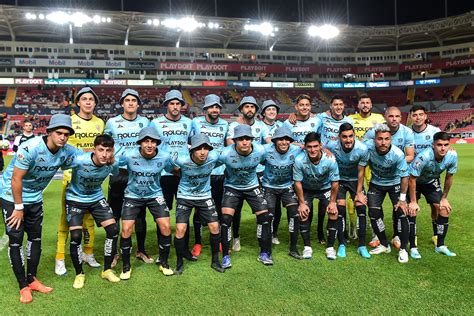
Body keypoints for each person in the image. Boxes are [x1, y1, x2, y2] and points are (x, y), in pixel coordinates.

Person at [0, 114, 78, 303]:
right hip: (12, 196)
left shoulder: (66, 151)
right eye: (59, 133)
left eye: (66, 134)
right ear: (49, 132)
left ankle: (32, 279)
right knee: (16, 240)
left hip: (35, 198)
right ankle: (22, 286)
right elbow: (15, 179)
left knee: (35, 238)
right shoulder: (31, 147)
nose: (62, 137)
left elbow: (86, 157)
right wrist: (18, 207)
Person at [55, 87, 104, 276]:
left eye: (91, 99)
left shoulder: (100, 123)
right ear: (78, 102)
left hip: (93, 178)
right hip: (71, 177)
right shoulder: (70, 122)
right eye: (84, 99)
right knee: (66, 220)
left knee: (89, 219)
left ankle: (88, 253)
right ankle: (60, 258)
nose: (88, 102)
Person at [118, 127, 175, 278]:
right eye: (146, 141)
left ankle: (164, 263)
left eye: (153, 142)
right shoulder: (129, 155)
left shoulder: (164, 156)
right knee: (126, 229)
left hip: (155, 194)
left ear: (157, 143)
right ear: (140, 143)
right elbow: (114, 165)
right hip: (133, 195)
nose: (149, 145)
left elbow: (173, 169)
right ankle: (125, 267)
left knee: (166, 226)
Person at [65, 134, 121, 288]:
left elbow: (115, 173)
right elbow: (62, 164)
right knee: (76, 235)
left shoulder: (111, 163)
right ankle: (79, 274)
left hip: (96, 198)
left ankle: (107, 270)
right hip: (75, 198)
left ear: (112, 151)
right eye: (101, 150)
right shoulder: (80, 160)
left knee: (113, 229)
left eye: (108, 150)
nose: (104, 154)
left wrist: (113, 162)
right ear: (94, 149)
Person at [105, 89, 151, 264]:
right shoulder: (112, 122)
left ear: (138, 104)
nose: (130, 103)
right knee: (115, 214)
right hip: (119, 173)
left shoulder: (145, 122)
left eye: (134, 100)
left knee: (140, 214)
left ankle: (141, 250)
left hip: (139, 172)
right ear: (122, 103)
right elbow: (105, 144)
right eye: (127, 100)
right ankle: (115, 252)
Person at [219, 124, 273, 268]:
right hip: (232, 187)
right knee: (226, 218)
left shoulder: (260, 150)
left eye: (247, 139)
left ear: (252, 140)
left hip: (252, 186)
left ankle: (264, 253)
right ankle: (225, 256)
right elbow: (209, 164)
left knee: (265, 217)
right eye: (241, 139)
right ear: (235, 140)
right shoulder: (225, 154)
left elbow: (269, 160)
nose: (244, 142)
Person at [363, 106, 414, 250]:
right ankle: (379, 238)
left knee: (399, 209)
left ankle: (397, 236)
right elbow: (362, 151)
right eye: (391, 116)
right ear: (385, 117)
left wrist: (395, 161)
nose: (394, 119)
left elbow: (410, 155)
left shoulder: (406, 134)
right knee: (374, 210)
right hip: (377, 180)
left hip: (396, 178)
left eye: (397, 116)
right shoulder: (373, 133)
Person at [172, 134, 224, 274]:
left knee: (214, 227)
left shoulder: (213, 158)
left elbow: (225, 160)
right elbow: (171, 169)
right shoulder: (181, 160)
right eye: (199, 148)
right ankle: (179, 263)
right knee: (180, 229)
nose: (202, 152)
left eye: (206, 148)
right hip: (185, 196)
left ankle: (215, 261)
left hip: (205, 195)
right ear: (191, 150)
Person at [226, 96, 270, 252]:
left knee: (263, 210)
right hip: (237, 171)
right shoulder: (233, 126)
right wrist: (245, 156)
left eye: (252, 107)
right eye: (246, 107)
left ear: (256, 110)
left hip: (258, 173)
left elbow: (268, 143)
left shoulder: (261, 126)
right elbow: (230, 143)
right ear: (241, 109)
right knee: (235, 209)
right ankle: (236, 238)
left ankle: (265, 241)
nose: (249, 109)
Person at [190, 94, 229, 257]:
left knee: (219, 209)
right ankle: (198, 243)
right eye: (212, 107)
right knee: (199, 210)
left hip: (219, 173)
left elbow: (228, 145)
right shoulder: (195, 122)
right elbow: (188, 143)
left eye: (217, 107)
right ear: (205, 109)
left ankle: (219, 240)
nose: (215, 109)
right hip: (200, 173)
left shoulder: (225, 124)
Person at [408, 132, 457, 257]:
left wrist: (444, 198)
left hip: (431, 182)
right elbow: (412, 179)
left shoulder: (452, 155)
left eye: (446, 145)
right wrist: (413, 202)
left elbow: (449, 177)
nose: (443, 148)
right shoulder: (424, 157)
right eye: (439, 145)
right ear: (433, 145)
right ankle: (412, 246)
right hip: (415, 182)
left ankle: (440, 245)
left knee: (444, 209)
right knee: (412, 211)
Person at [326, 123, 370, 258]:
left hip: (355, 180)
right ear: (339, 137)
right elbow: (321, 148)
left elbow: (361, 172)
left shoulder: (362, 149)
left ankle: (362, 245)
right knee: (340, 209)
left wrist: (359, 193)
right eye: (344, 137)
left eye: (351, 136)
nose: (348, 139)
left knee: (361, 207)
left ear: (354, 136)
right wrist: (325, 150)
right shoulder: (332, 145)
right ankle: (342, 243)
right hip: (338, 180)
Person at [293, 132, 340, 260]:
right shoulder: (299, 160)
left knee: (333, 212)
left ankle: (330, 248)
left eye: (315, 146)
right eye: (309, 147)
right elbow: (297, 183)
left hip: (324, 188)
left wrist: (332, 202)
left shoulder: (330, 159)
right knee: (303, 213)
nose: (312, 150)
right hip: (307, 189)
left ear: (320, 146)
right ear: (305, 147)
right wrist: (302, 203)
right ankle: (307, 247)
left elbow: (335, 183)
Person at [262, 126, 303, 258]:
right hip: (269, 186)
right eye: (280, 139)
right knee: (269, 216)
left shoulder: (296, 150)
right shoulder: (265, 150)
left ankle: (293, 248)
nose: (284, 142)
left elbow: (309, 147)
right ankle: (266, 249)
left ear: (290, 141)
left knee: (294, 214)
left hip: (287, 187)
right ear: (274, 141)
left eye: (287, 139)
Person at [348, 94, 385, 241]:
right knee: (353, 195)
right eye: (362, 102)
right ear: (358, 105)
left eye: (367, 102)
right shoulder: (350, 119)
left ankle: (375, 227)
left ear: (371, 105)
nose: (365, 105)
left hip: (373, 163)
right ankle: (352, 227)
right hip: (355, 162)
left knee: (375, 196)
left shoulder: (379, 118)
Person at [409, 104, 442, 245]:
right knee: (411, 207)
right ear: (411, 117)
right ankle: (412, 235)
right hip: (412, 178)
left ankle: (436, 235)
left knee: (437, 206)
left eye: (420, 114)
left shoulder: (435, 131)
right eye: (415, 115)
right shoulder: (406, 132)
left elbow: (443, 145)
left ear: (425, 116)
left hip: (430, 177)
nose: (418, 117)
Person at [261, 99, 284, 244]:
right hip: (260, 168)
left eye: (274, 110)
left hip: (278, 168)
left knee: (277, 205)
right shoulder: (258, 126)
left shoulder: (281, 126)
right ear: (263, 112)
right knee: (265, 205)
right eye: (269, 109)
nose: (272, 112)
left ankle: (274, 233)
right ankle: (264, 232)